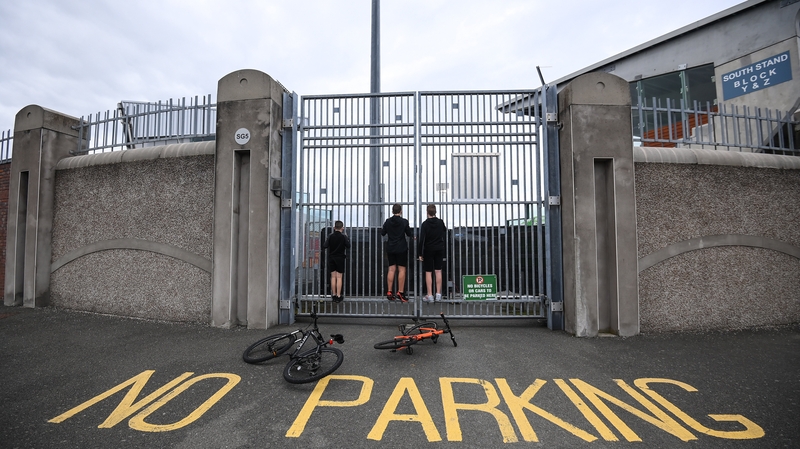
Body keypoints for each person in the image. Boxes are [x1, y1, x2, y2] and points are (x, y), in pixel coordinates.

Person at [381, 204, 413, 302]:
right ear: (401, 211)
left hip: (391, 247)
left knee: (391, 269)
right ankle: (400, 292)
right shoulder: (404, 222)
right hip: (401, 248)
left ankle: (389, 291)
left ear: (392, 211)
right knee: (402, 270)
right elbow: (409, 234)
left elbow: (383, 233)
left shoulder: (388, 221)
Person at [417, 204, 447, 302]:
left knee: (428, 272)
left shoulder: (425, 224)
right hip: (439, 248)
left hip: (428, 249)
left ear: (427, 212)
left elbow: (422, 240)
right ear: (435, 212)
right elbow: (444, 232)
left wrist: (420, 253)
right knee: (438, 271)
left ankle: (430, 295)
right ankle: (438, 294)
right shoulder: (440, 222)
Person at [323, 220, 350, 303]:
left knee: (333, 277)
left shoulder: (330, 236)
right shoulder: (343, 237)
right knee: (339, 277)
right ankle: (338, 295)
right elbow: (348, 246)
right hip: (340, 258)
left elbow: (325, 246)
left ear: (334, 228)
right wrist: (346, 237)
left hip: (332, 258)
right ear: (342, 228)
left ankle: (334, 295)